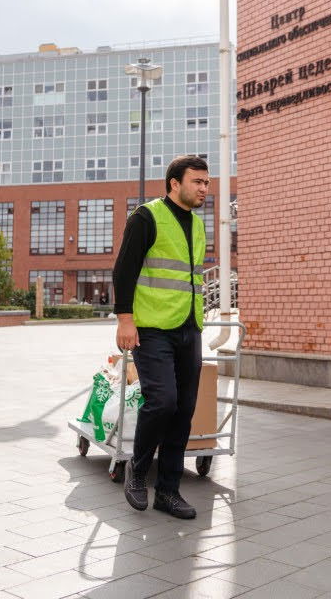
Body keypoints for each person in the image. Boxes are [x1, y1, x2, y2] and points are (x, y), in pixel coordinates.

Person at [113, 155, 208, 519]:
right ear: (174, 183)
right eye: (197, 182)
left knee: (184, 409)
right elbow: (124, 270)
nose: (204, 189)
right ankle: (137, 470)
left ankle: (168, 491)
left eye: (206, 183)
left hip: (189, 326)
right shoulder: (147, 217)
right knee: (163, 401)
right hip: (152, 327)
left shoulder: (197, 224)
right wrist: (125, 320)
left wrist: (196, 322)